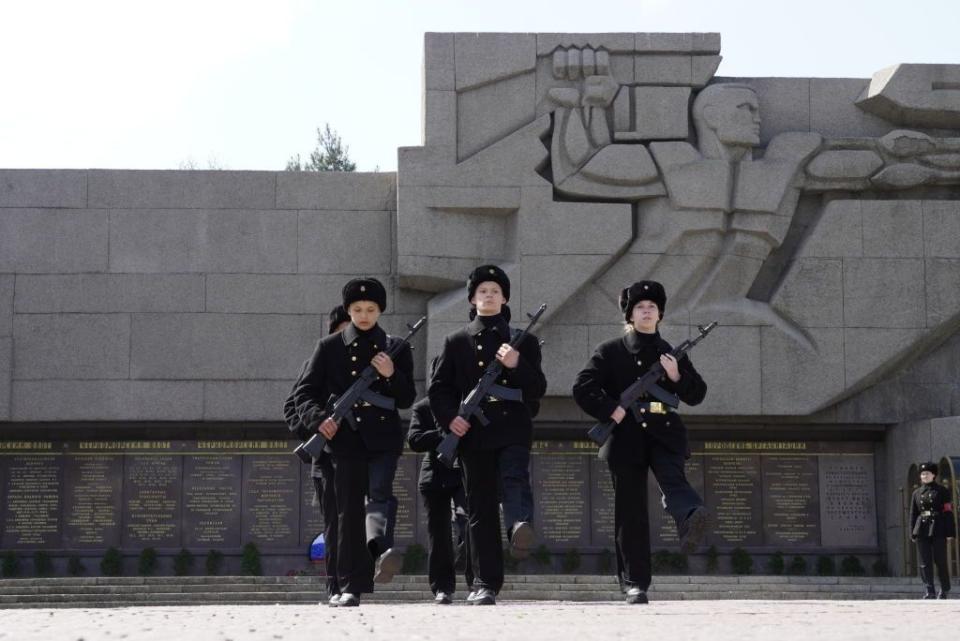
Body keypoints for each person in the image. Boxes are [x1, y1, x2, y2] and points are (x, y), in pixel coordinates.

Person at [572, 280, 708, 605]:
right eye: (640, 307)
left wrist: (676, 376)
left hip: (665, 433)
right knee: (630, 513)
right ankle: (635, 583)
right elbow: (582, 387)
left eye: (652, 307)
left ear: (659, 314)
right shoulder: (610, 351)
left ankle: (690, 516)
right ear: (630, 316)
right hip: (625, 438)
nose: (646, 311)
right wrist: (611, 409)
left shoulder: (670, 354)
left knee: (673, 479)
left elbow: (698, 394)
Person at [428, 264, 546, 606]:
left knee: (514, 480)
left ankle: (517, 527)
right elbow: (440, 390)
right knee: (479, 507)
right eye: (483, 291)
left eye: (495, 291)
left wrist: (516, 364)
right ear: (472, 299)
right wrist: (451, 420)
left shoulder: (524, 341)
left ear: (505, 297)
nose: (489, 295)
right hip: (473, 433)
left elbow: (537, 388)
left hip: (512, 426)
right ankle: (484, 583)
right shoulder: (456, 341)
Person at [294, 278, 416, 607]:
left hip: (382, 441)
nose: (364, 315)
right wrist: (320, 420)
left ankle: (378, 546)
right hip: (343, 443)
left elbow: (407, 398)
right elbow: (304, 393)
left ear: (380, 311)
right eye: (358, 309)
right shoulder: (328, 347)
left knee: (378, 498)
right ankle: (351, 586)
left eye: (371, 309)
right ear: (348, 310)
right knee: (348, 515)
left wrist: (391, 373)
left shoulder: (396, 348)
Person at [284, 304, 350, 605]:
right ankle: (336, 585)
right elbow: (292, 406)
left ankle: (354, 583)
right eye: (345, 328)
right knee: (334, 523)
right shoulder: (317, 361)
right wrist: (315, 431)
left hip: (359, 455)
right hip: (326, 457)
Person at [407, 390, 473, 604]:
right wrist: (444, 431)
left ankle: (478, 583)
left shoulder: (469, 404)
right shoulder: (424, 407)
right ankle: (442, 587)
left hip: (465, 472)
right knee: (439, 533)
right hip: (434, 474)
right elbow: (414, 440)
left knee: (474, 526)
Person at [910, 461, 955, 599]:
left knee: (940, 560)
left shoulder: (942, 491)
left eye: (927, 473)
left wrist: (950, 532)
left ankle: (944, 588)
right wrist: (912, 532)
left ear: (933, 475)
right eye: (922, 474)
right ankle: (929, 590)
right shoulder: (916, 493)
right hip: (922, 528)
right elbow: (913, 513)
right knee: (924, 562)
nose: (924, 476)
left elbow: (948, 511)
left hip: (938, 527)